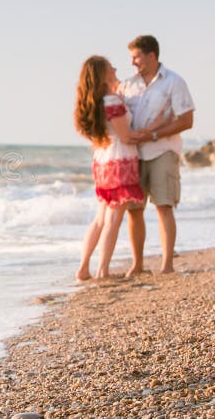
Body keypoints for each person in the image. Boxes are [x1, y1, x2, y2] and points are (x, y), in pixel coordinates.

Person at [120, 35, 195, 275]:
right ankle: (138, 264)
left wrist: (153, 136)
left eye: (136, 56)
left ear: (151, 55)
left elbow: (186, 120)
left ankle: (167, 265)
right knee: (134, 209)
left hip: (163, 150)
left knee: (163, 205)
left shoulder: (174, 82)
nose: (133, 62)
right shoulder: (127, 85)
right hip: (134, 155)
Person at [74, 55, 148, 280]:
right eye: (110, 67)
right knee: (113, 220)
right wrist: (155, 131)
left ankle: (84, 268)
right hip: (120, 161)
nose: (115, 68)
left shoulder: (97, 102)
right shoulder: (112, 101)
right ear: (103, 75)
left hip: (103, 160)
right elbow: (126, 137)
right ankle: (102, 271)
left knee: (100, 219)